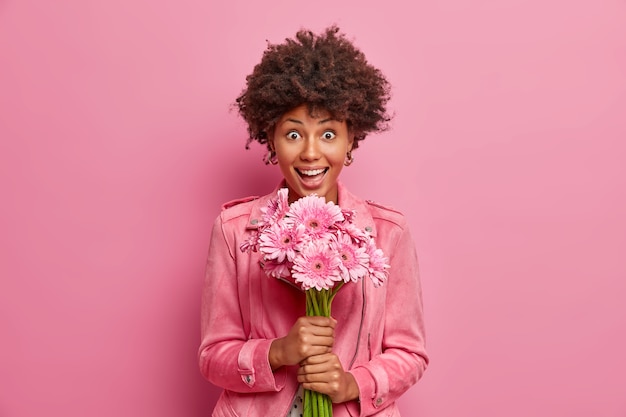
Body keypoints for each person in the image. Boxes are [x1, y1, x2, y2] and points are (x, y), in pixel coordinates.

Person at [198, 26, 428, 417]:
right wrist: (279, 351)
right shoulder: (234, 230)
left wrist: (351, 384)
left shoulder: (388, 233)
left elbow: (410, 353)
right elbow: (212, 355)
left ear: (351, 138)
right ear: (270, 137)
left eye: (327, 134)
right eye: (292, 133)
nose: (310, 152)